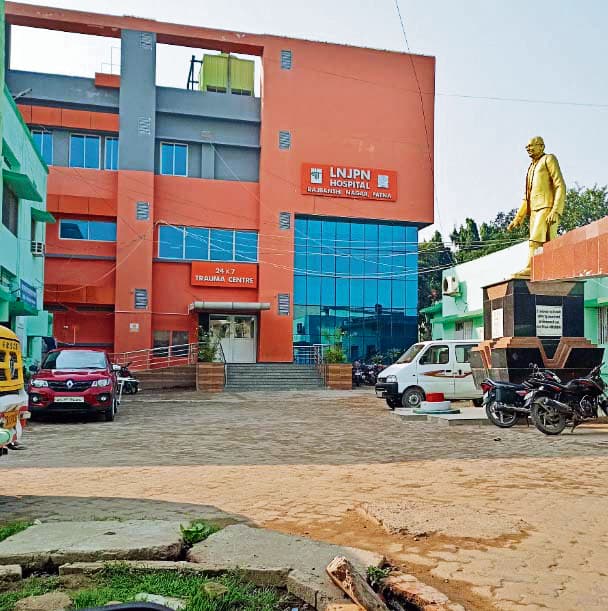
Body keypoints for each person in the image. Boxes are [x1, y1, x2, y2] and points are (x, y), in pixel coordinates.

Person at [508, 136, 566, 277]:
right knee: (542, 242)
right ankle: (546, 268)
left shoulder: (549, 159)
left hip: (546, 207)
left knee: (535, 240)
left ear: (541, 146)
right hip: (534, 210)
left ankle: (531, 268)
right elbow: (527, 197)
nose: (528, 148)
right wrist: (518, 217)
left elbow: (560, 185)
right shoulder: (531, 167)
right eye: (527, 147)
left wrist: (556, 210)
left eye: (531, 145)